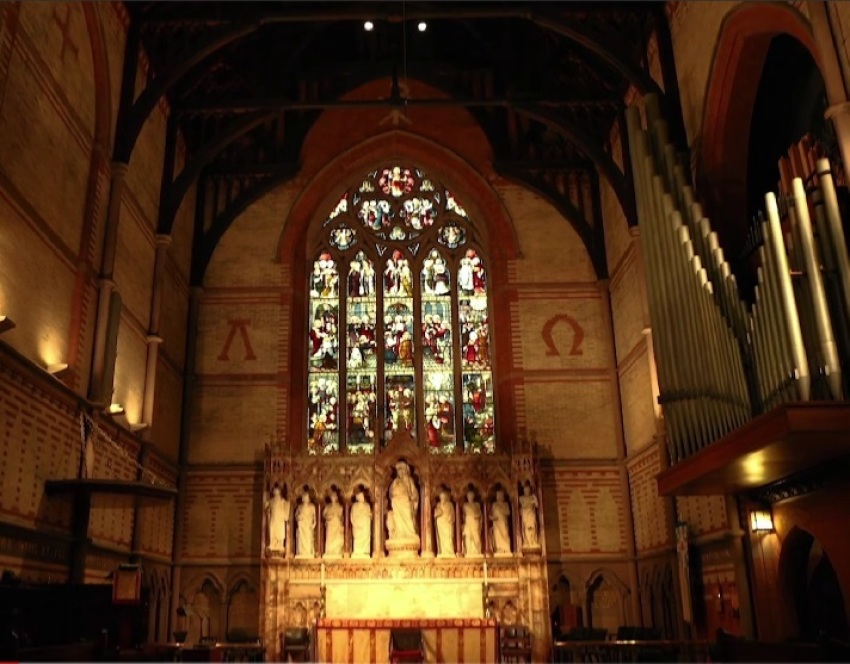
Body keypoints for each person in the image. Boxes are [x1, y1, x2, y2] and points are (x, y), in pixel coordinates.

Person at [387, 461, 419, 540]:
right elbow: (391, 493)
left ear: (406, 471)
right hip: (397, 502)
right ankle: (399, 533)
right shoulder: (395, 481)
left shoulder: (409, 480)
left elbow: (414, 493)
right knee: (397, 518)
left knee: (408, 517)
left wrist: (412, 497)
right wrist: (395, 495)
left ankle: (410, 533)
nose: (400, 472)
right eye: (399, 470)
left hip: (406, 503)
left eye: (402, 470)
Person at [265, 485, 290, 554]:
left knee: (280, 531)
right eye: (274, 491)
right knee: (272, 529)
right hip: (273, 518)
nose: (275, 492)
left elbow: (287, 505)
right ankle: (272, 543)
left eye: (277, 490)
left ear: (279, 492)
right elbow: (266, 505)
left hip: (280, 519)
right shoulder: (271, 501)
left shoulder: (282, 500)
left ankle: (280, 544)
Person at [350, 491, 372, 558]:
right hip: (358, 524)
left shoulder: (367, 505)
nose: (362, 497)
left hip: (365, 524)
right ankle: (358, 551)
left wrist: (369, 515)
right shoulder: (355, 506)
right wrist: (355, 523)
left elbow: (370, 514)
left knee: (366, 535)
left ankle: (365, 551)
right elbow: (352, 516)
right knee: (358, 537)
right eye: (360, 496)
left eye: (363, 496)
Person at [434, 491, 455, 557]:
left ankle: (449, 551)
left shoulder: (450, 504)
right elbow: (435, 514)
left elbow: (453, 514)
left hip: (447, 523)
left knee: (448, 537)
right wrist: (438, 513)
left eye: (443, 497)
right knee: (442, 538)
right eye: (441, 497)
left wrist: (450, 518)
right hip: (440, 523)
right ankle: (443, 551)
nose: (442, 498)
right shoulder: (438, 504)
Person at [323, 490, 344, 557]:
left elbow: (341, 516)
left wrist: (336, 516)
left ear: (336, 498)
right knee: (329, 538)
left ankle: (336, 551)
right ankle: (329, 551)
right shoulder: (327, 507)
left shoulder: (339, 507)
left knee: (337, 538)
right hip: (330, 525)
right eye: (331, 496)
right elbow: (324, 514)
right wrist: (328, 517)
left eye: (334, 496)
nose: (333, 498)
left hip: (336, 524)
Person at [295, 492, 316, 558]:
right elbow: (296, 515)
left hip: (308, 524)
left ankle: (307, 551)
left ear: (308, 498)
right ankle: (302, 551)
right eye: (304, 497)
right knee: (301, 537)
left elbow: (315, 517)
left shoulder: (312, 506)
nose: (305, 498)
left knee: (308, 537)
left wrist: (314, 523)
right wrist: (299, 517)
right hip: (302, 524)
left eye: (306, 497)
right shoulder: (300, 507)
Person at [519, 483, 540, 548]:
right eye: (525, 490)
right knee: (527, 528)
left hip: (531, 514)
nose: (527, 492)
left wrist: (535, 499)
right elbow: (523, 505)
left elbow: (537, 505)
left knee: (533, 527)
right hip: (525, 515)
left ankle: (532, 541)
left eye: (528, 490)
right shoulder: (521, 498)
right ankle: (528, 542)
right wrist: (531, 503)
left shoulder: (532, 497)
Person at [491, 490, 512, 554]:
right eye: (498, 495)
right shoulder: (494, 504)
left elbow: (508, 512)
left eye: (500, 495)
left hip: (503, 522)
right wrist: (492, 517)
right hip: (496, 523)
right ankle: (499, 548)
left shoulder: (505, 504)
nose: (499, 497)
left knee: (505, 534)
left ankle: (506, 548)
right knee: (497, 535)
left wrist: (501, 509)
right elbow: (492, 514)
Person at [462, 491, 483, 557]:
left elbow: (480, 514)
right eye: (469, 496)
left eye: (471, 496)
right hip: (468, 521)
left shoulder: (477, 504)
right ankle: (469, 551)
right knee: (468, 536)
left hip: (475, 521)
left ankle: (477, 551)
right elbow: (463, 515)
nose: (470, 497)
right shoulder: (465, 505)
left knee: (476, 536)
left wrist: (476, 515)